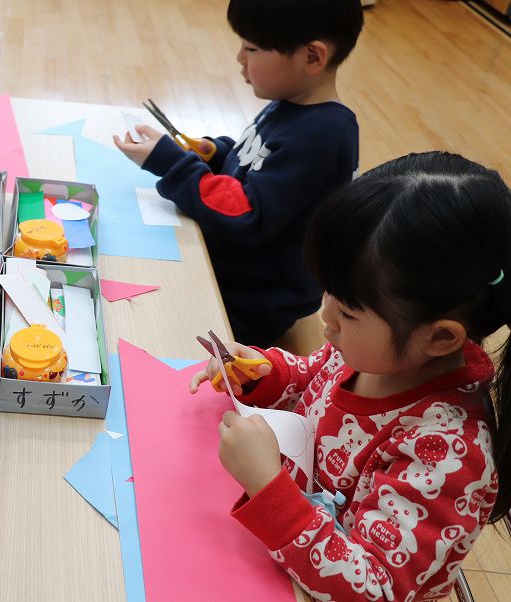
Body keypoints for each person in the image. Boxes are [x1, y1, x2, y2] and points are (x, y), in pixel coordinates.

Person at [192, 152, 509, 600]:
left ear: (439, 337)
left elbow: (375, 587)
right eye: (329, 291)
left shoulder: (448, 455)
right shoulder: (374, 353)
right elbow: (311, 379)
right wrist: (263, 374)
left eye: (348, 310)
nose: (325, 315)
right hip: (277, 549)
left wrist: (267, 487)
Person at [114, 0, 363, 347]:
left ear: (312, 57)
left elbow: (248, 212)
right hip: (236, 268)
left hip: (250, 301)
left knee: (145, 321)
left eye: (252, 49)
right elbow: (256, 162)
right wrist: (214, 153)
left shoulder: (324, 132)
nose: (239, 59)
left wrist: (173, 165)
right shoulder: (293, 102)